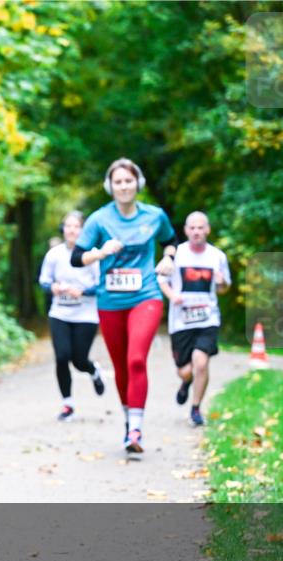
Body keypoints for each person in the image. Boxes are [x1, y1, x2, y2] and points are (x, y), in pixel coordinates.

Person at [71, 158, 176, 456]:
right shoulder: (99, 220)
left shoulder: (154, 216)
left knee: (136, 360)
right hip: (110, 301)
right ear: (110, 186)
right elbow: (76, 258)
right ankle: (129, 418)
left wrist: (169, 258)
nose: (124, 186)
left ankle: (136, 428)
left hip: (146, 295)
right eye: (118, 182)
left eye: (128, 181)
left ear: (137, 183)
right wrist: (99, 252)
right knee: (120, 366)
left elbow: (171, 240)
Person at [158, 211, 231, 427]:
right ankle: (185, 383)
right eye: (193, 228)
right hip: (180, 320)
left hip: (208, 318)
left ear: (207, 229)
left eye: (201, 227)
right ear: (186, 230)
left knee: (201, 363)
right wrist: (173, 296)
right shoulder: (176, 254)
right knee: (185, 370)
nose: (197, 231)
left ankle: (196, 408)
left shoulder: (217, 256)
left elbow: (224, 288)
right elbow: (162, 280)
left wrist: (222, 283)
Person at [38, 211, 105, 421]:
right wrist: (53, 287)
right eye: (68, 226)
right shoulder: (54, 254)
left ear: (83, 231)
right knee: (61, 357)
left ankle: (93, 370)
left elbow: (102, 285)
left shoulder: (91, 255)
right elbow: (43, 281)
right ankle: (67, 404)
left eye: (76, 226)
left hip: (85, 314)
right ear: (63, 229)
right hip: (60, 313)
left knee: (79, 360)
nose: (72, 230)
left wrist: (83, 292)